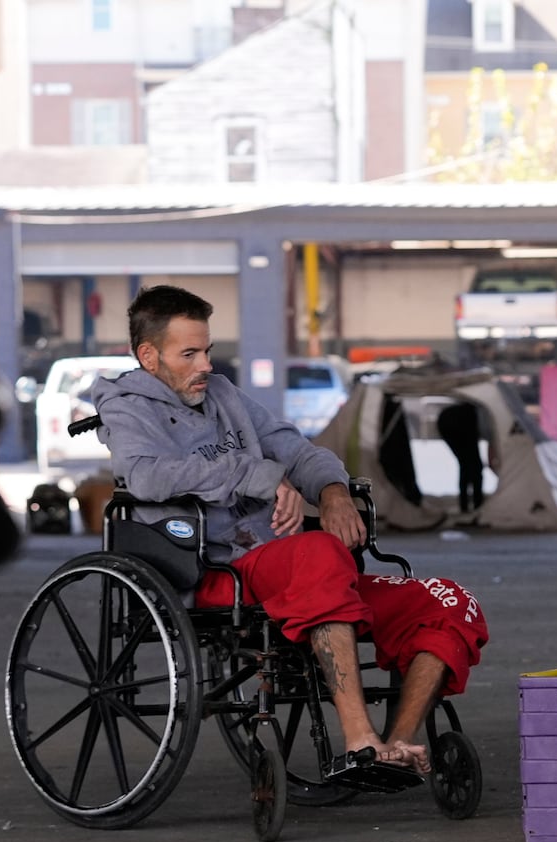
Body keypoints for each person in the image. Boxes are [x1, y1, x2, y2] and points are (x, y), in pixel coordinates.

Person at [90, 285, 488, 783]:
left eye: (207, 350)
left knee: (448, 600)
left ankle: (397, 744)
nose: (205, 364)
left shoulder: (224, 395)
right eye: (188, 354)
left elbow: (296, 449)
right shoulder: (127, 407)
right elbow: (146, 476)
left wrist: (333, 490)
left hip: (293, 566)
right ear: (149, 356)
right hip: (218, 569)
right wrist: (258, 475)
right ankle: (359, 740)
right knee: (320, 552)